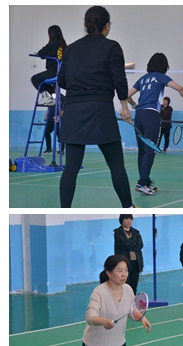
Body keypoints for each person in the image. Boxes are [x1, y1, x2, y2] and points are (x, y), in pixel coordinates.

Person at [57, 6, 135, 208]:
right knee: (116, 165)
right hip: (100, 111)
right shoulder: (112, 47)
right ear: (106, 25)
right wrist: (125, 108)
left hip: (73, 112)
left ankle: (65, 210)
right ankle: (128, 207)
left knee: (71, 167)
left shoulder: (71, 48)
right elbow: (119, 80)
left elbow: (61, 81)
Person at [126, 52, 183, 194]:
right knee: (150, 149)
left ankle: (144, 181)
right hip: (151, 114)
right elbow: (180, 88)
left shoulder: (143, 78)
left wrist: (134, 105)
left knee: (142, 151)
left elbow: (127, 95)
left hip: (139, 114)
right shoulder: (161, 77)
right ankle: (142, 183)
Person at [32, 25, 67, 107]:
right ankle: (53, 96)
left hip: (53, 71)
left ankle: (45, 97)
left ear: (51, 34)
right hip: (61, 72)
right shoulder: (63, 44)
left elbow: (41, 53)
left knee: (34, 79)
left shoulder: (53, 44)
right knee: (45, 83)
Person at [113, 214, 144, 295]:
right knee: (124, 284)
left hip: (136, 262)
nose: (129, 221)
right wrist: (134, 244)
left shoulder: (136, 232)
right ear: (122, 221)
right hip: (124, 262)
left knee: (134, 285)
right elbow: (124, 244)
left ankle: (132, 300)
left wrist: (130, 244)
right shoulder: (117, 233)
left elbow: (140, 245)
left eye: (130, 219)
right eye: (126, 219)